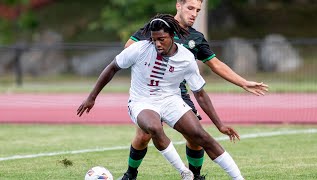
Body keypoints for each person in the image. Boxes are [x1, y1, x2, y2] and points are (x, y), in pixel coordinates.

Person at [77, 14, 245, 180]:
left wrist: (219, 124)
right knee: (154, 128)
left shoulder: (186, 58)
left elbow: (200, 94)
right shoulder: (140, 48)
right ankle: (185, 173)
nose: (157, 43)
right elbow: (112, 67)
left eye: (161, 39)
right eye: (153, 39)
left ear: (172, 36)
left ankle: (239, 178)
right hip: (141, 102)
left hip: (171, 101)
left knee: (202, 137)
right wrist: (92, 97)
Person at [121, 0, 268, 179]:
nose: (194, 14)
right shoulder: (158, 27)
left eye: (198, 10)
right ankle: (130, 174)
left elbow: (215, 64)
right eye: (190, 8)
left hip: (178, 93)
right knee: (144, 135)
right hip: (149, 91)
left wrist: (242, 82)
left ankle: (195, 175)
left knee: (194, 136)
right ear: (178, 5)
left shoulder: (195, 38)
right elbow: (129, 47)